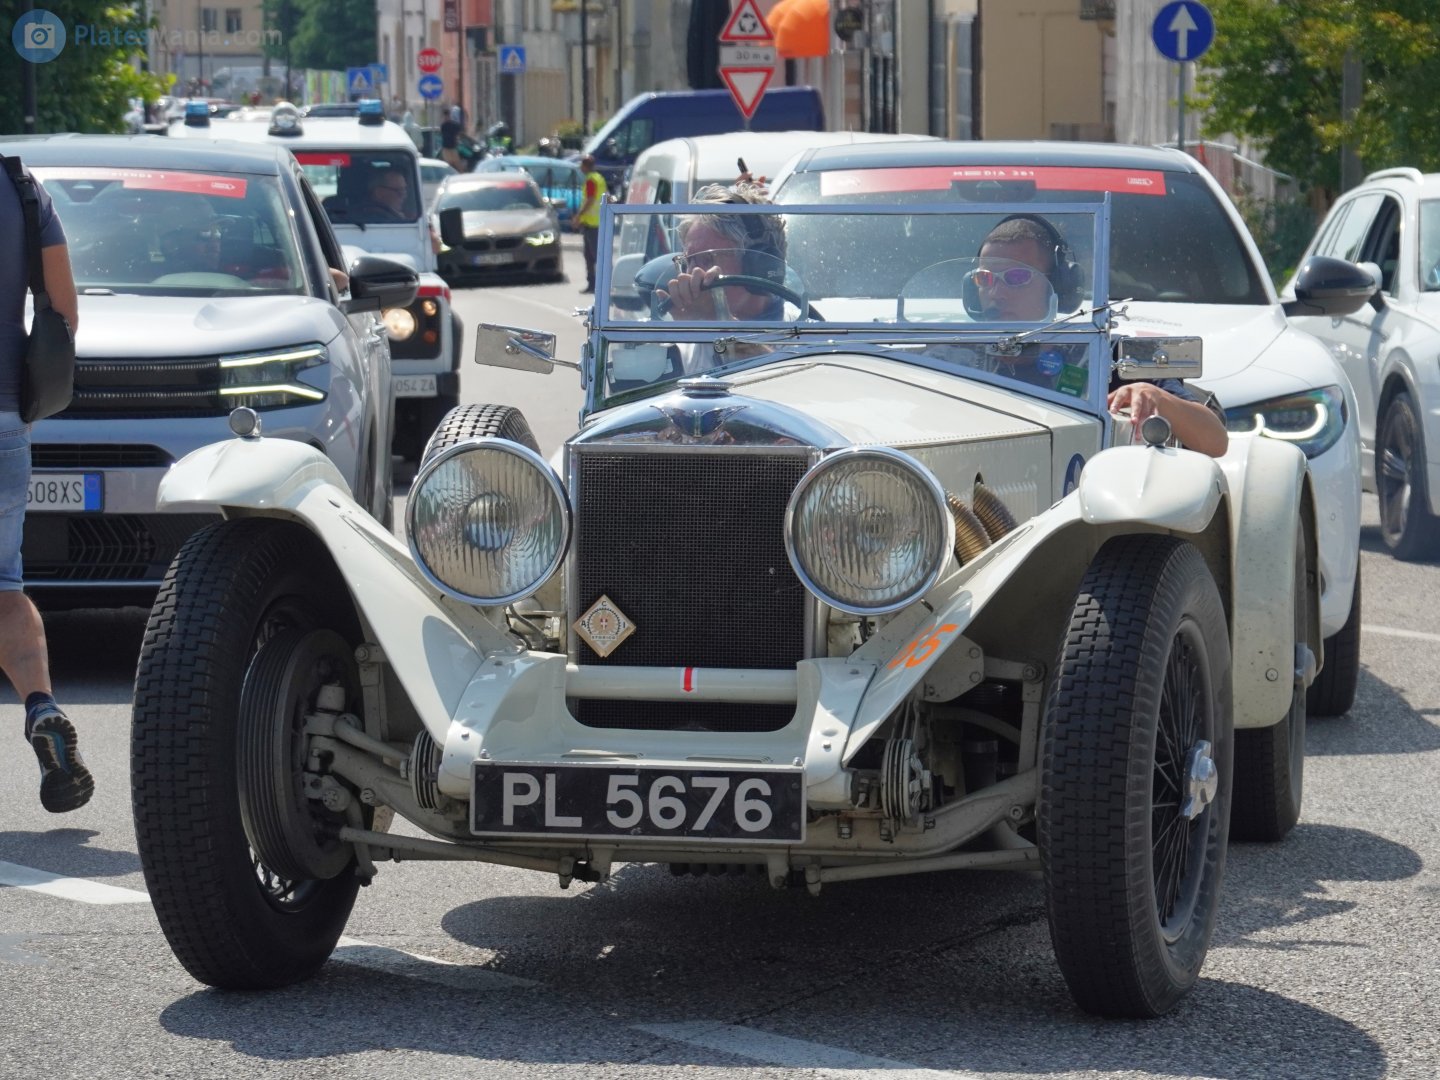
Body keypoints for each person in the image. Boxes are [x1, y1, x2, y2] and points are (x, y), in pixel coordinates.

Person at [973, 215, 1228, 458]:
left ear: (1059, 287)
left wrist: (1155, 396)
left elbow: (1216, 441)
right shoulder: (948, 360)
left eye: (1017, 277)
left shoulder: (1111, 354)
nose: (997, 292)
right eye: (984, 278)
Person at [0, 158, 93, 813]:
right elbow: (62, 310)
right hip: (3, 415)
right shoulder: (20, 187)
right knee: (5, 584)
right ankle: (41, 705)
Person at [657, 182, 788, 322]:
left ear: (759, 266)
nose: (691, 275)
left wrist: (716, 318)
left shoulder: (805, 332)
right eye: (688, 261)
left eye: (708, 259)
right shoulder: (691, 328)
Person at [575, 154, 608, 294]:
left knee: (593, 256)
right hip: (598, 222)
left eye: (581, 165)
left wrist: (578, 216)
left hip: (592, 224)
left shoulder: (590, 180)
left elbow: (590, 200)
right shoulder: (599, 178)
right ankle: (595, 284)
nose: (580, 168)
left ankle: (598, 284)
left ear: (585, 166)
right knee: (593, 255)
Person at [439, 106, 464, 170]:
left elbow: (459, 133)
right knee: (448, 165)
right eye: (445, 116)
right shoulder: (443, 126)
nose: (446, 117)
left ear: (449, 115)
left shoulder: (453, 125)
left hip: (452, 147)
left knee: (456, 164)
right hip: (446, 148)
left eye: (446, 115)